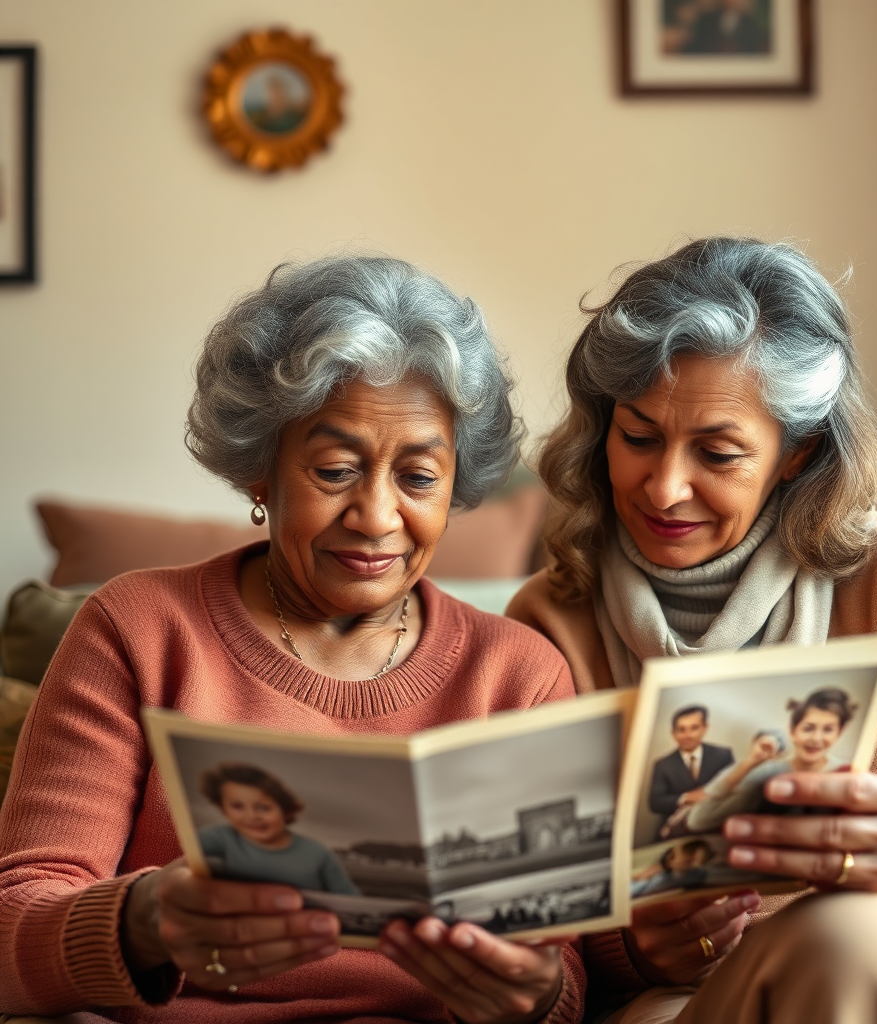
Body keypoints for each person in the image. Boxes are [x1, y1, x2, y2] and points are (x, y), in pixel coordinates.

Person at [0, 256, 583, 1024]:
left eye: (417, 478)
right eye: (335, 470)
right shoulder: (136, 629)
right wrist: (141, 920)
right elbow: (16, 924)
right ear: (259, 474)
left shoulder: (518, 676)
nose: (376, 516)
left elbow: (563, 976)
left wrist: (533, 993)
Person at [508, 237, 877, 1021]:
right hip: (690, 1002)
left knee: (851, 937)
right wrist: (640, 947)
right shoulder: (548, 621)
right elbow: (535, 928)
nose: (665, 486)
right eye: (638, 437)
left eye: (717, 453)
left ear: (797, 454)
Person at [686, 691, 854, 834]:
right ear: (793, 731)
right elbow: (699, 820)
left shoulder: (847, 775)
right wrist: (750, 763)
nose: (817, 739)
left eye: (828, 729)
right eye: (808, 728)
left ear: (839, 733)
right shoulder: (767, 774)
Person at [197, 762, 360, 895]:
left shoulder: (318, 853)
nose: (252, 816)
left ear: (286, 810)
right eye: (237, 806)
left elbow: (351, 899)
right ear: (223, 809)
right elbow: (175, 855)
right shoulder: (220, 837)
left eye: (263, 807)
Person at [647, 706, 734, 830]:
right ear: (673, 733)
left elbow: (733, 792)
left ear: (705, 728)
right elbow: (655, 803)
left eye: (694, 728)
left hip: (716, 826)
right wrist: (686, 797)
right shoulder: (662, 765)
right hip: (676, 830)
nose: (687, 735)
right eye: (681, 730)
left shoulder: (723, 755)